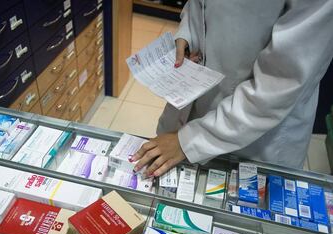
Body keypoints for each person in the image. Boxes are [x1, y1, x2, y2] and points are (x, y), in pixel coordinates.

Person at [131, 0, 333, 177]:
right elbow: (200, 6)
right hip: (189, 106)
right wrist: (188, 33)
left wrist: (189, 141)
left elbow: (280, 83)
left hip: (255, 138)